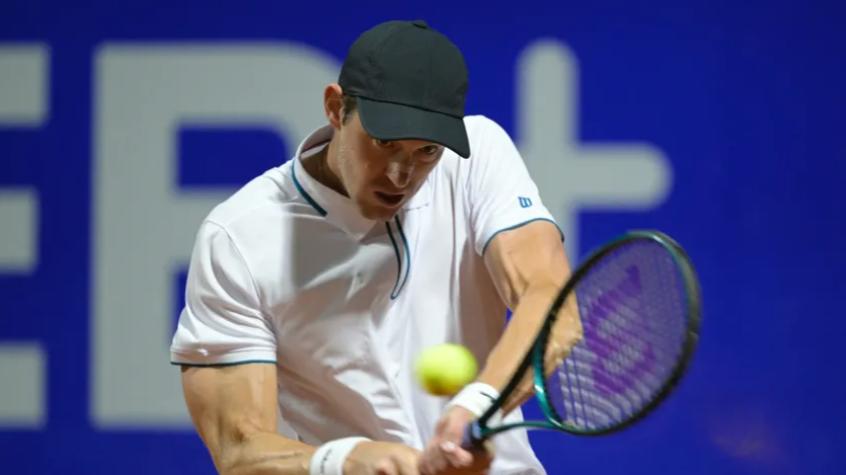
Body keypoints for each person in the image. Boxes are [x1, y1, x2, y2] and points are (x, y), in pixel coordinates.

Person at [170, 19, 582, 475]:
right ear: (335, 108)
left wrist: (479, 402)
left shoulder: (478, 156)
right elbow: (239, 449)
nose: (400, 175)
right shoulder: (239, 238)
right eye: (384, 143)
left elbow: (551, 302)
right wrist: (343, 461)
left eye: (426, 152)